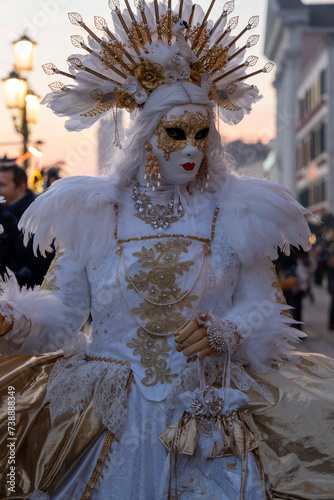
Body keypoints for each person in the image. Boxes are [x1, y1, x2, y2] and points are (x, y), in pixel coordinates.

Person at [0, 1, 333, 499]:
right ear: (145, 137)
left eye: (203, 133)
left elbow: (266, 307)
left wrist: (230, 330)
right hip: (107, 414)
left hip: (206, 413)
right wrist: (14, 320)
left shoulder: (235, 211)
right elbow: (64, 316)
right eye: (175, 132)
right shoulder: (94, 212)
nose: (191, 148)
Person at [0, 164, 53, 287]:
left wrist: (15, 279)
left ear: (21, 187)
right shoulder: (6, 214)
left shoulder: (40, 214)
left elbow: (46, 263)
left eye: (2, 185)